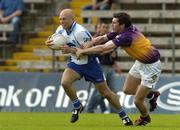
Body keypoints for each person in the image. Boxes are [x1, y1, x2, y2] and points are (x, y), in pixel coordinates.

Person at [45, 9, 133, 126]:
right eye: (60, 19)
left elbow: (91, 51)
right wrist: (50, 44)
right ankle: (77, 105)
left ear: (72, 19)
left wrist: (70, 50)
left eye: (64, 19)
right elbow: (57, 43)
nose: (61, 21)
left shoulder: (80, 32)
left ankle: (124, 116)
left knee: (106, 93)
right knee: (65, 83)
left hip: (90, 63)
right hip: (75, 63)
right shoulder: (60, 29)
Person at [76, 12, 161, 126]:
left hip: (151, 66)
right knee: (127, 90)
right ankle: (151, 95)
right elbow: (103, 38)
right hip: (140, 62)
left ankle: (145, 117)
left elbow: (104, 48)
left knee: (137, 101)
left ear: (122, 25)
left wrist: (83, 51)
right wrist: (88, 43)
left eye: (114, 23)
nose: (112, 25)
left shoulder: (126, 36)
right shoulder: (121, 31)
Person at [86, 22, 121, 113]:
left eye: (106, 27)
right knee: (98, 91)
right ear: (99, 28)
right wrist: (106, 50)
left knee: (113, 90)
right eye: (103, 27)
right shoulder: (95, 39)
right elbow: (94, 53)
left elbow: (113, 53)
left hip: (110, 67)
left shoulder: (109, 38)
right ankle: (89, 109)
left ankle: (114, 111)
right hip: (100, 66)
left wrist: (114, 58)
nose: (105, 29)